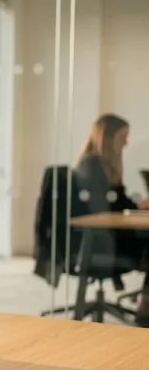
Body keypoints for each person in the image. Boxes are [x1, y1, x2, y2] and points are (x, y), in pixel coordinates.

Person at [73, 113, 149, 326]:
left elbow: (117, 203)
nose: (126, 143)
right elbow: (102, 209)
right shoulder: (92, 165)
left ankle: (146, 307)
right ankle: (145, 313)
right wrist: (134, 206)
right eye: (123, 137)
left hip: (105, 236)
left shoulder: (103, 165)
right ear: (107, 138)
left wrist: (135, 206)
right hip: (97, 242)